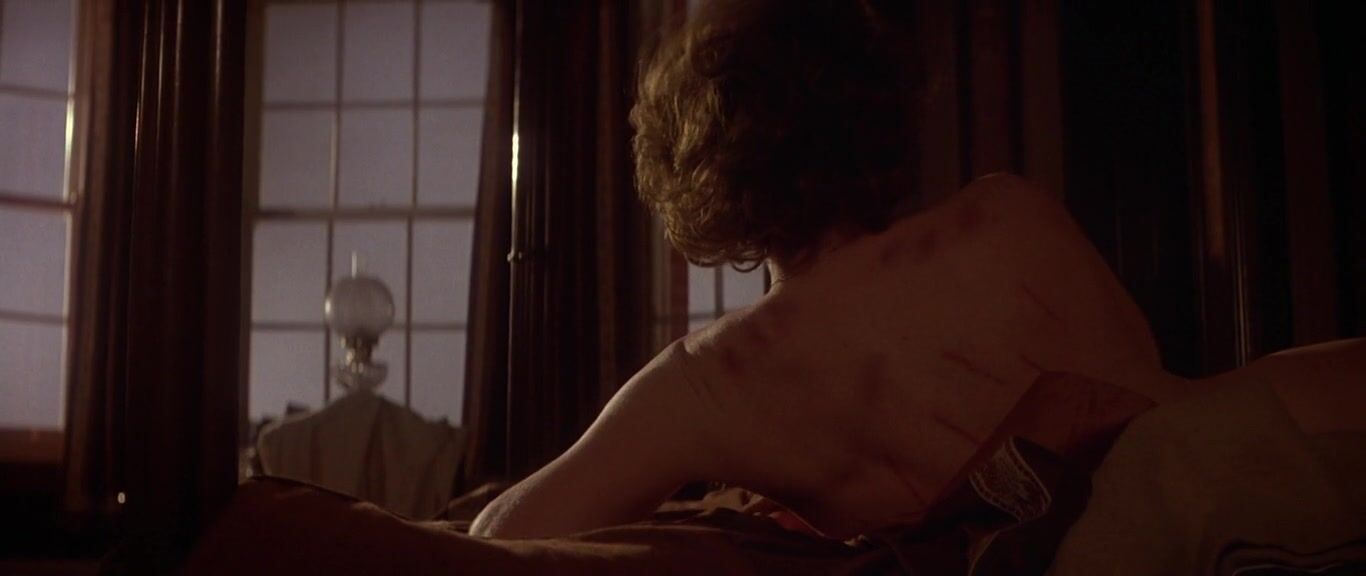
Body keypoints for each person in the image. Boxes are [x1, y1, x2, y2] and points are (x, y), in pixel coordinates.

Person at [470, 0, 1365, 540]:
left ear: (693, 167)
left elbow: (502, 536)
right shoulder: (1008, 212)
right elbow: (1141, 393)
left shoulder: (713, 382)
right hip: (1271, 449)